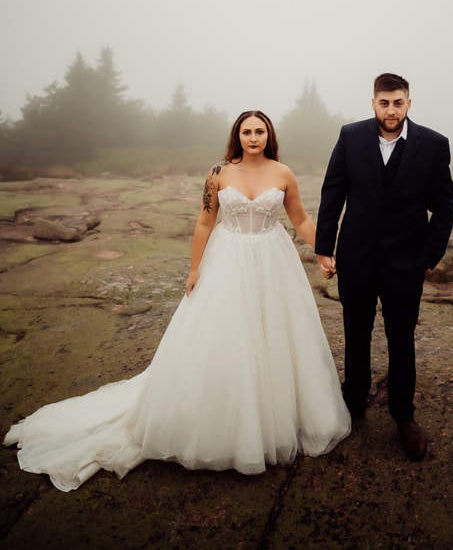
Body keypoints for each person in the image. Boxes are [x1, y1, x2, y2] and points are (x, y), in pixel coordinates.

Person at [5, 111, 351, 491]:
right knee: (225, 338)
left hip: (273, 261)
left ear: (270, 136)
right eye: (247, 131)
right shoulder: (219, 172)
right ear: (238, 136)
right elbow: (205, 221)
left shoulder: (283, 173)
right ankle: (223, 424)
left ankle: (274, 419)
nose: (253, 137)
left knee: (276, 336)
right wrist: (194, 269)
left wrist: (322, 252)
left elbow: (299, 218)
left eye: (260, 131)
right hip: (229, 260)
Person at [314, 74, 453, 461]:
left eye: (397, 103)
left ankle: (403, 417)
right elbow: (333, 192)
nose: (390, 110)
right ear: (373, 103)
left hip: (406, 262)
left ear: (409, 103)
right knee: (355, 332)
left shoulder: (434, 144)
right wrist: (324, 247)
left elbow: (443, 205)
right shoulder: (350, 136)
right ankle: (354, 402)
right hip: (357, 256)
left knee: (401, 339)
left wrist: (429, 255)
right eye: (383, 103)